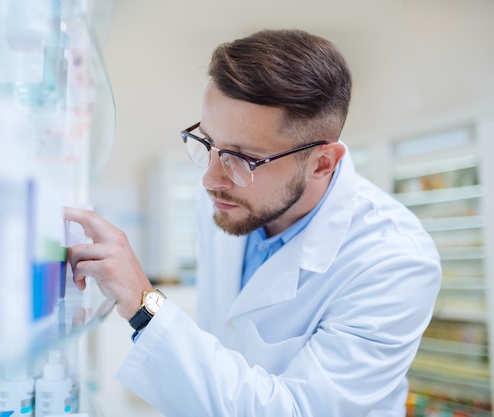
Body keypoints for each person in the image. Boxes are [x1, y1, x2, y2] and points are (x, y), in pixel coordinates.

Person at [64, 29, 441, 416]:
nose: (211, 180)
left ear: (322, 163)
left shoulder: (394, 261)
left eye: (244, 158)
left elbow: (297, 410)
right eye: (209, 144)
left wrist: (145, 304)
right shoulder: (226, 196)